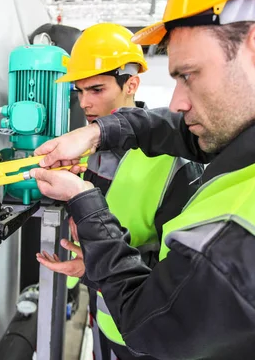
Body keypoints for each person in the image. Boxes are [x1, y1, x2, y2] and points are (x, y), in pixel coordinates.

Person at [30, 0, 255, 358]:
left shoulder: (238, 233)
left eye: (187, 75)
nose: (177, 102)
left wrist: (84, 201)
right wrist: (99, 131)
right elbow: (177, 132)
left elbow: (147, 316)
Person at [35, 22, 203, 360]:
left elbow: (181, 281)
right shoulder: (84, 148)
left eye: (96, 90)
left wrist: (97, 264)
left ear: (132, 83)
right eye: (79, 92)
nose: (85, 103)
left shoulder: (176, 164)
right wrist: (89, 269)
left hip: (147, 339)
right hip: (104, 316)